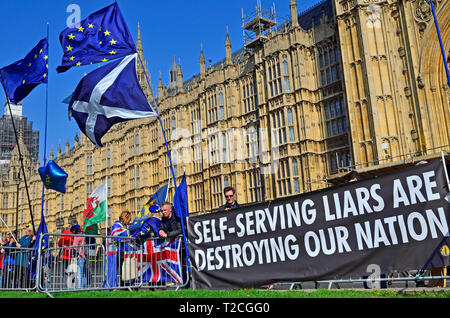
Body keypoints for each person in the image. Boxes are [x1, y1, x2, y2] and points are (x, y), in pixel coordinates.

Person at [15, 224, 36, 288]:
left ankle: (24, 287)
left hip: (25, 259)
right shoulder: (23, 237)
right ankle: (18, 287)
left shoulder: (31, 238)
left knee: (24, 274)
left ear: (30, 230)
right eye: (25, 229)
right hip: (19, 258)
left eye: (27, 229)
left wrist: (20, 247)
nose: (25, 231)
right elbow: (19, 242)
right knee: (18, 274)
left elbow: (28, 246)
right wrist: (19, 245)